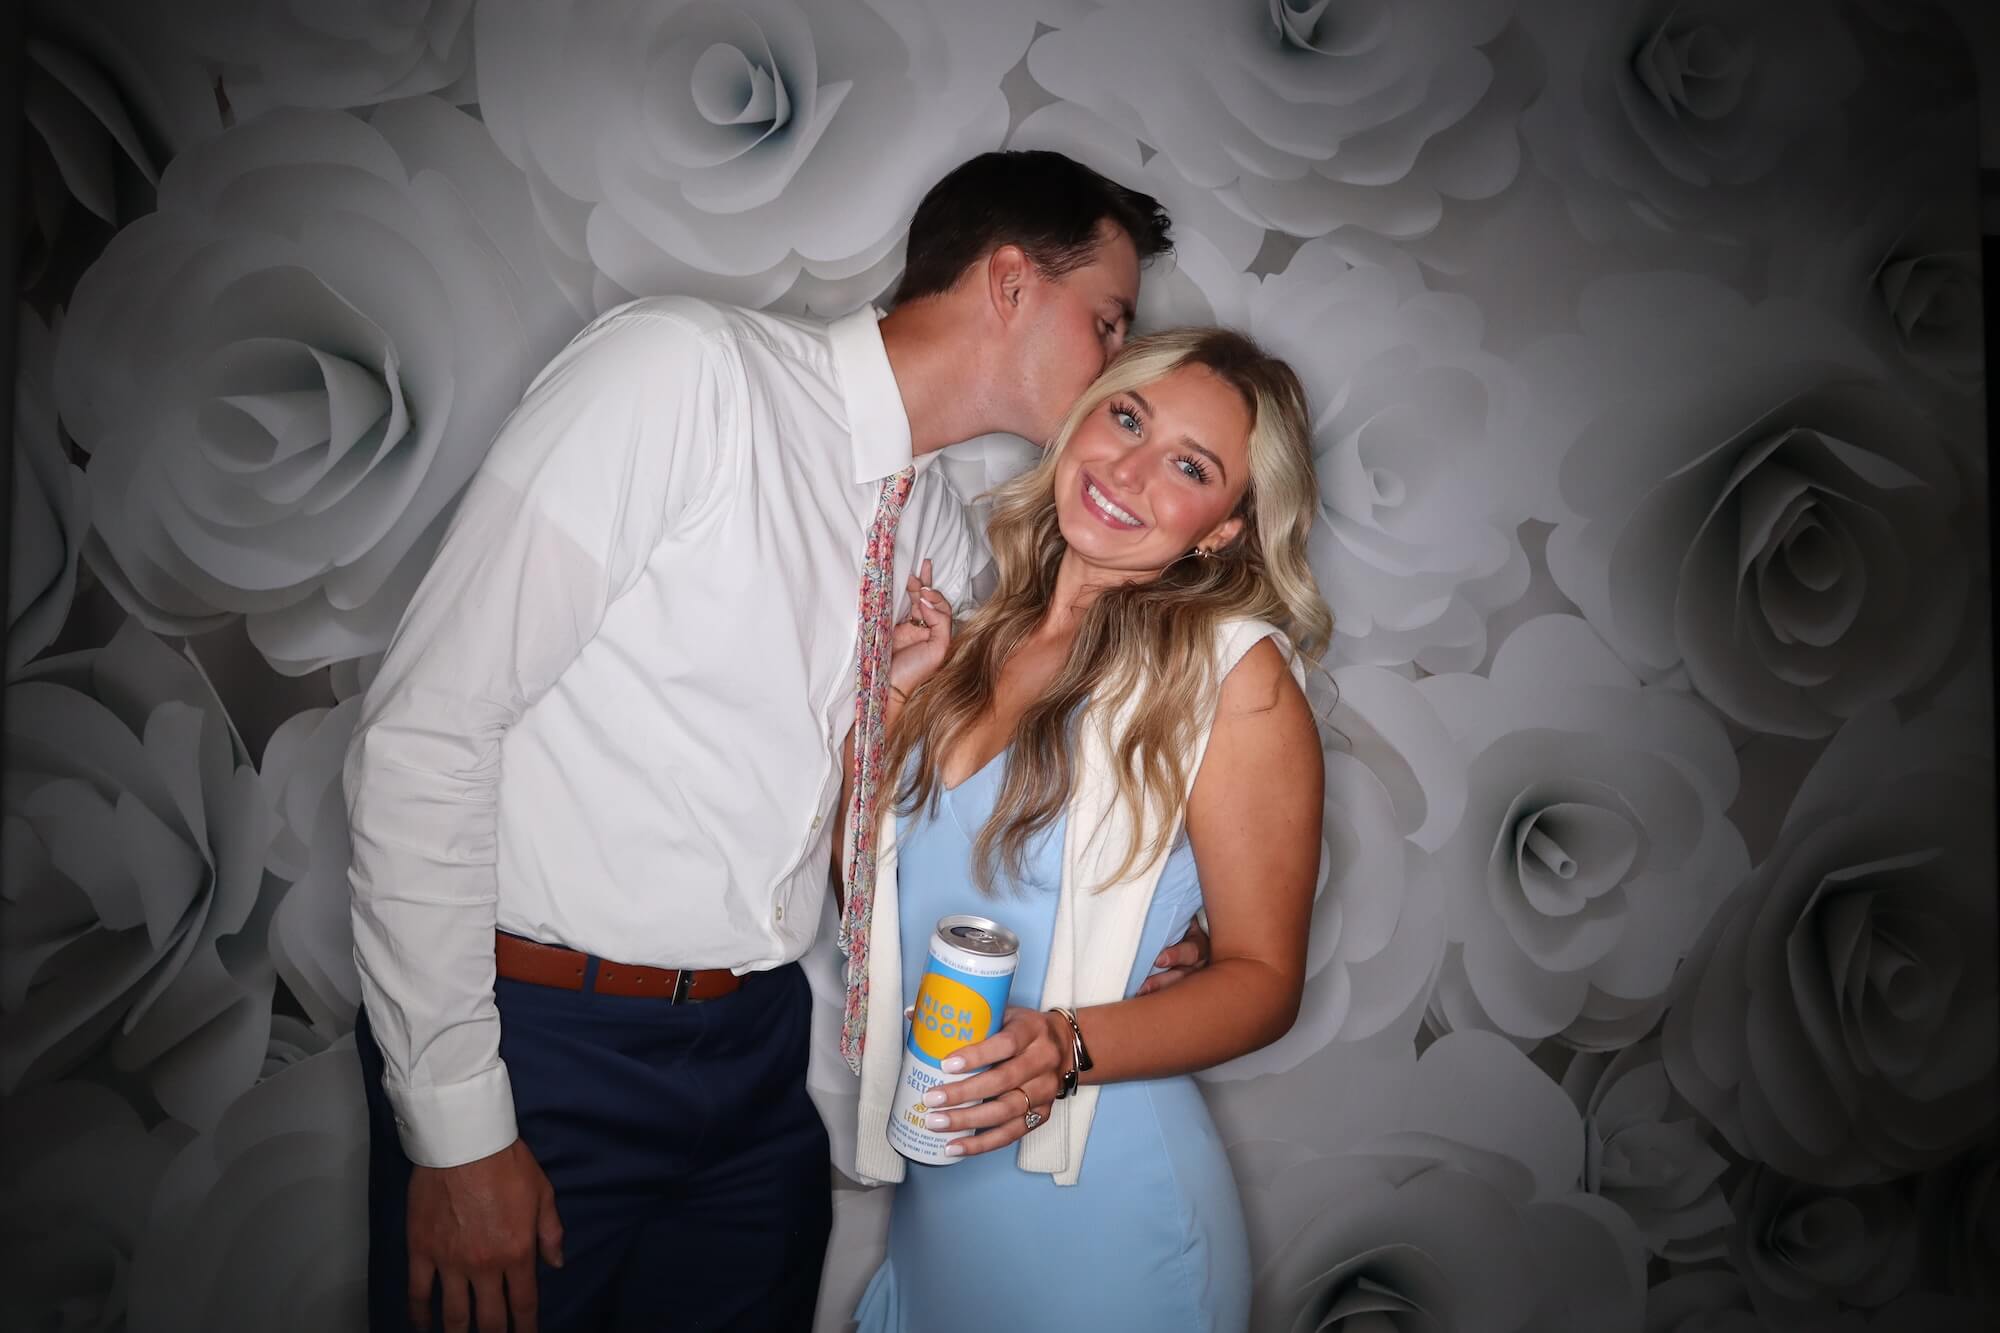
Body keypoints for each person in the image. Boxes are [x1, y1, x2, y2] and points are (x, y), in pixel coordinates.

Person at [341, 150, 1194, 1333]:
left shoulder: (935, 527)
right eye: (1106, 323)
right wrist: (455, 1124)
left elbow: (996, 793)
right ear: (1008, 283)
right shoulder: (683, 375)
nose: (1117, 367)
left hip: (752, 1064)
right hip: (545, 1047)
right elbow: (425, 732)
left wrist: (1148, 933)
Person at [847, 327, 1327, 1332]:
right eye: (1125, 418)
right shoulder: (975, 639)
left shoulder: (1231, 677)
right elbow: (867, 916)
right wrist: (893, 720)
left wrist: (1064, 1043)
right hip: (938, 1218)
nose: (1128, 469)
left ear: (1223, 529)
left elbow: (1262, 981)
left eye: (1187, 467)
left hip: (1102, 1230)